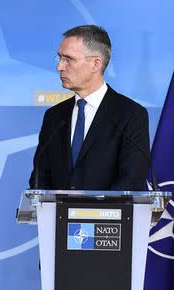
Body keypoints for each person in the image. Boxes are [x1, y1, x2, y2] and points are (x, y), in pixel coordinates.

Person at [29, 25, 150, 190]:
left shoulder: (130, 114)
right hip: (57, 216)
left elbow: (131, 180)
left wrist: (90, 212)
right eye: (59, 58)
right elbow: (39, 178)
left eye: (69, 59)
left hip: (109, 215)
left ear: (96, 64)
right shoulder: (54, 116)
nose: (60, 67)